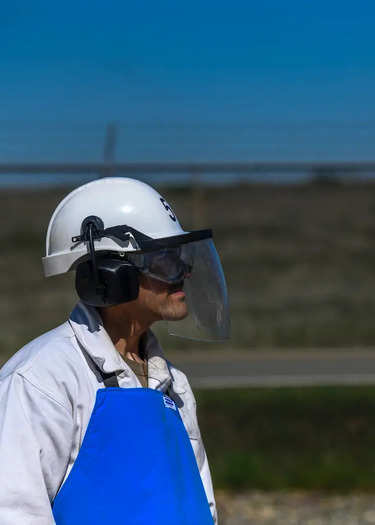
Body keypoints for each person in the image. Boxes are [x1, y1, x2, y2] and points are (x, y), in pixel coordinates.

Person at [0, 177, 230, 524]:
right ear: (109, 273)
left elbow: (201, 509)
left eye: (181, 258)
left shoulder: (174, 386)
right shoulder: (42, 380)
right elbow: (14, 512)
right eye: (165, 260)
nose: (183, 272)